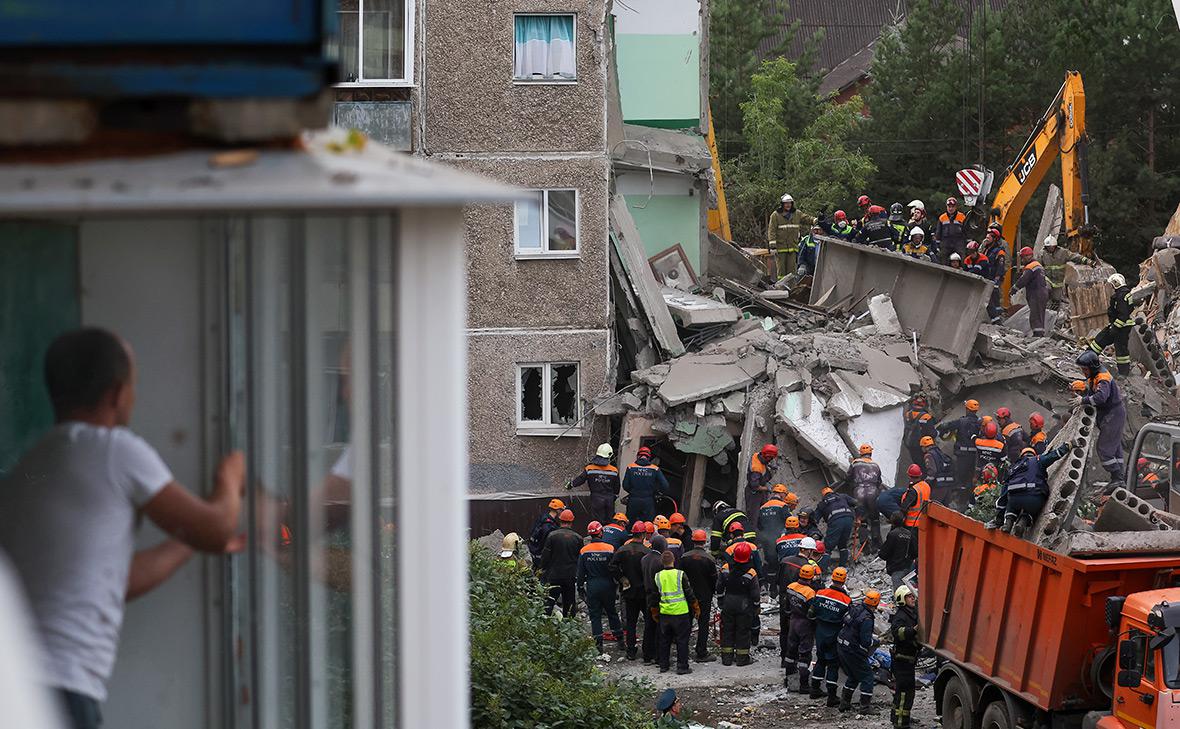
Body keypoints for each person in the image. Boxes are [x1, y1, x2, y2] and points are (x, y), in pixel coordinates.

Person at [0, 329, 244, 728]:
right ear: (117, 393)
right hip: (62, 686)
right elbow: (216, 528)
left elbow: (114, 579)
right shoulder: (115, 450)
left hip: (21, 684)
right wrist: (232, 479)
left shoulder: (34, 465)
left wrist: (187, 543)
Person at [988, 444, 1071, 536]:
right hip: (1033, 498)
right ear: (1034, 454)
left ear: (1022, 456)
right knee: (1033, 508)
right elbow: (1053, 455)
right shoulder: (1038, 460)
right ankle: (1025, 519)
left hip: (1015, 499)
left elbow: (1003, 494)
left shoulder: (1013, 468)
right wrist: (1067, 446)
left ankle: (1008, 522)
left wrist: (999, 519)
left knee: (1011, 504)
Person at [1074, 350, 1128, 486]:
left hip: (1113, 414)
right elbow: (1095, 391)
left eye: (1085, 369)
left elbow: (1101, 397)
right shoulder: (1095, 375)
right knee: (1115, 447)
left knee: (1104, 448)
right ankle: (1120, 477)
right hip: (1113, 413)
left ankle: (1117, 476)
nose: (1084, 372)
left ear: (1092, 367)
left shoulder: (1102, 378)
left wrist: (1083, 400)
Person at [576, 521, 623, 653]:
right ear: (601, 532)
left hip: (593, 585)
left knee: (595, 615)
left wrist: (580, 588)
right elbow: (615, 568)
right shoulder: (610, 548)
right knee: (612, 612)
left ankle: (599, 646)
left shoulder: (584, 551)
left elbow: (580, 573)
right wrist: (619, 582)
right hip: (608, 584)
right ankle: (620, 640)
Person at [650, 550, 699, 675]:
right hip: (680, 613)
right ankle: (682, 667)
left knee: (664, 640)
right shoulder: (680, 574)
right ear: (674, 560)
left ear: (662, 562)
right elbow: (689, 593)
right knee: (682, 640)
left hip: (665, 613)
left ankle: (663, 665)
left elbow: (655, 595)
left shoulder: (657, 576)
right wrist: (695, 606)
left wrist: (654, 610)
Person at [808, 567, 852, 705]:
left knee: (820, 660)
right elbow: (848, 621)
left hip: (820, 632)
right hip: (834, 633)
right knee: (833, 664)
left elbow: (811, 613)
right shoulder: (846, 600)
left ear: (832, 578)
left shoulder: (820, 593)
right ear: (844, 580)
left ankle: (814, 689)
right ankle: (831, 696)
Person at [609, 521, 651, 660]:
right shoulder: (647, 552)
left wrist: (622, 578)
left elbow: (612, 567)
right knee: (648, 622)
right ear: (644, 534)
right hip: (644, 593)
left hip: (629, 592)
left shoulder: (622, 550)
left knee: (631, 623)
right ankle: (647, 651)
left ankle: (631, 651)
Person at [837, 590, 881, 714]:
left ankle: (844, 703)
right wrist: (877, 642)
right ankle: (865, 707)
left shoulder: (857, 608)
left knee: (853, 675)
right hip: (852, 649)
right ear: (876, 604)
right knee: (867, 676)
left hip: (842, 645)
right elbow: (865, 642)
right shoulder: (867, 618)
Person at [716, 541, 759, 666]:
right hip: (744, 606)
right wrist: (756, 606)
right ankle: (742, 659)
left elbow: (719, 587)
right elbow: (755, 593)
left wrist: (720, 600)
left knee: (727, 630)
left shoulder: (725, 569)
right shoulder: (751, 573)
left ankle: (726, 658)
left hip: (728, 603)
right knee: (743, 631)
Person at [679, 530, 719, 663]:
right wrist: (713, 592)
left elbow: (680, 577)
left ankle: (682, 651)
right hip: (704, 596)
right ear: (704, 541)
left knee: (686, 623)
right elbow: (714, 580)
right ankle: (701, 652)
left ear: (693, 540)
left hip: (687, 595)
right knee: (703, 623)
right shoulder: (709, 559)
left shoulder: (684, 557)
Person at [781, 563, 818, 692]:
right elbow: (812, 614)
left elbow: (786, 607)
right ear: (811, 577)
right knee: (804, 655)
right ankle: (803, 685)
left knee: (790, 653)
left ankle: (788, 680)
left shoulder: (791, 587)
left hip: (793, 622)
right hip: (804, 625)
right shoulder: (810, 593)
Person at [1089, 273, 1134, 376]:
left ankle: (1124, 373)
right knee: (1101, 340)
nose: (1111, 287)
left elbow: (1123, 315)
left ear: (1116, 284)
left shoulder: (1121, 296)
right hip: (1120, 326)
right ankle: (1088, 359)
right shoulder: (1124, 294)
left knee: (1120, 350)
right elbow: (1129, 310)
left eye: (1112, 284)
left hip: (1120, 327)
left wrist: (1115, 327)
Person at [890, 586, 922, 729]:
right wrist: (913, 630)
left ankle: (896, 717)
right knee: (905, 694)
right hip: (902, 661)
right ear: (902, 599)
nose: (912, 598)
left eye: (912, 595)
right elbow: (898, 633)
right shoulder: (900, 616)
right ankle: (901, 724)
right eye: (909, 596)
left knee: (902, 692)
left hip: (907, 660)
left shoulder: (910, 613)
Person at [938, 399, 981, 503]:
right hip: (974, 456)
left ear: (967, 409)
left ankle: (958, 500)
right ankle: (969, 500)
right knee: (970, 479)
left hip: (962, 455)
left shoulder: (961, 421)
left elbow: (945, 426)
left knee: (960, 478)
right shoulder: (980, 422)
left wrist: (939, 429)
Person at [540, 509, 582, 617]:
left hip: (554, 575)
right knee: (569, 603)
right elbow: (580, 559)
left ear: (560, 520)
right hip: (570, 576)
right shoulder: (578, 538)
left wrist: (542, 570)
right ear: (572, 522)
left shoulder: (552, 536)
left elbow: (545, 556)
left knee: (549, 602)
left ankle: (545, 624)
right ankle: (569, 625)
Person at [844, 443, 884, 549]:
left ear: (860, 453)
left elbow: (847, 478)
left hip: (859, 492)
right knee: (875, 520)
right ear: (870, 453)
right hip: (873, 493)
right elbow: (879, 482)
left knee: (862, 521)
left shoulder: (855, 463)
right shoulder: (876, 465)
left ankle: (865, 546)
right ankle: (876, 545)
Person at [568, 443, 620, 523]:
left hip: (596, 499)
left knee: (597, 522)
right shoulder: (614, 470)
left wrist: (571, 484)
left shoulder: (590, 469)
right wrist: (614, 497)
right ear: (609, 455)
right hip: (609, 499)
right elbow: (617, 487)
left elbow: (580, 479)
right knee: (610, 521)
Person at [767, 194, 816, 278]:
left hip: (793, 247)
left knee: (792, 271)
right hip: (780, 248)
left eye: (789, 203)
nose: (788, 205)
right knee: (781, 271)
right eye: (786, 203)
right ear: (782, 204)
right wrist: (773, 247)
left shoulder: (797, 214)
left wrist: (816, 220)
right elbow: (772, 231)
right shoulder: (775, 215)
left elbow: (807, 219)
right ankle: (781, 288)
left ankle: (792, 288)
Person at [640, 535, 670, 663]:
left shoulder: (644, 559)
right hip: (658, 596)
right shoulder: (660, 561)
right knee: (659, 627)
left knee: (648, 626)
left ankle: (647, 654)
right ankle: (658, 656)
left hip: (647, 596)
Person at [758, 485, 791, 597]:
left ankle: (767, 587)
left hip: (766, 540)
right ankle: (775, 589)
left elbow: (759, 525)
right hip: (779, 540)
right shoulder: (783, 506)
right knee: (779, 564)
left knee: (768, 563)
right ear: (781, 494)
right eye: (785, 495)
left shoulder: (763, 507)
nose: (785, 497)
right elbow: (789, 522)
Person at [622, 446, 669, 523]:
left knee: (630, 524)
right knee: (648, 525)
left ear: (638, 456)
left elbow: (625, 485)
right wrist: (656, 492)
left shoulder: (631, 467)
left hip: (633, 500)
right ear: (649, 457)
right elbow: (665, 486)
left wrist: (633, 492)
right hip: (649, 501)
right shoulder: (655, 469)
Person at [1041, 235, 1092, 304]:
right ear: (1045, 247)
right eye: (1049, 247)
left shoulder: (1063, 252)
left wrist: (1087, 261)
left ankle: (1054, 311)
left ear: (1055, 246)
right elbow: (1037, 265)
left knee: (1057, 300)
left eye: (1052, 246)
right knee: (1046, 290)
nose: (1051, 248)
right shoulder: (1042, 254)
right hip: (1047, 279)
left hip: (1058, 283)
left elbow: (1074, 257)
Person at [814, 487, 856, 568]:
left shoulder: (822, 504)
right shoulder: (843, 496)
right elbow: (855, 503)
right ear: (833, 492)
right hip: (849, 519)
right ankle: (842, 567)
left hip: (836, 521)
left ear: (823, 496)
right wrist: (858, 516)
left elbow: (815, 519)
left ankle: (822, 570)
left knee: (827, 548)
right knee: (843, 545)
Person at [1013, 246, 1050, 337]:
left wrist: (1014, 288)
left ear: (1028, 256)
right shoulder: (1038, 265)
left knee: (1035, 315)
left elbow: (1023, 280)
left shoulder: (1030, 267)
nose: (1022, 260)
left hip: (1036, 293)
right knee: (1040, 314)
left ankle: (1037, 334)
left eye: (1023, 257)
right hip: (1043, 292)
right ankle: (1040, 333)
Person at [878, 513, 917, 592]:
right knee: (909, 592)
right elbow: (915, 552)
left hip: (896, 569)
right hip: (908, 568)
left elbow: (884, 553)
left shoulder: (893, 534)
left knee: (899, 592)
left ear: (892, 521)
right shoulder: (909, 534)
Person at [982, 226, 1008, 323]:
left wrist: (996, 280)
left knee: (994, 300)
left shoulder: (999, 251)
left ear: (995, 239)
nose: (986, 239)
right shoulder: (986, 249)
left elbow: (1000, 266)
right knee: (990, 300)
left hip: (994, 278)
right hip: (987, 277)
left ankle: (998, 321)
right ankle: (995, 319)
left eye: (989, 238)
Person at [747, 443, 779, 515]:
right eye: (771, 458)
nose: (771, 460)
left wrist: (770, 465)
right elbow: (754, 487)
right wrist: (767, 488)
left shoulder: (757, 455)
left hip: (760, 484)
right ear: (767, 456)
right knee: (754, 515)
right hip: (754, 494)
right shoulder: (756, 469)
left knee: (763, 510)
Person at [934, 197, 968, 265]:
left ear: (956, 207)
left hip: (959, 242)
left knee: (962, 258)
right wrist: (937, 244)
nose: (951, 208)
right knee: (942, 259)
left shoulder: (962, 217)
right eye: (949, 206)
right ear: (946, 207)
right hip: (946, 242)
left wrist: (967, 242)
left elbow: (966, 231)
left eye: (953, 206)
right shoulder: (942, 217)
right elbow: (938, 232)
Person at [921, 436, 955, 504]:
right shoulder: (939, 452)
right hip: (948, 484)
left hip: (939, 486)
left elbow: (932, 471)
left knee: (933, 506)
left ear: (924, 446)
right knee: (945, 508)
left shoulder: (929, 455)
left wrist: (925, 483)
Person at [903, 396, 935, 467]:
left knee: (916, 463)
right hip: (922, 446)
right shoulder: (926, 416)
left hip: (910, 444)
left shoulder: (908, 414)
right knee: (924, 465)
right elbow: (932, 433)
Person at [899, 464, 930, 530]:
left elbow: (904, 507)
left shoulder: (913, 490)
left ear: (910, 476)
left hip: (911, 524)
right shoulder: (926, 486)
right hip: (922, 522)